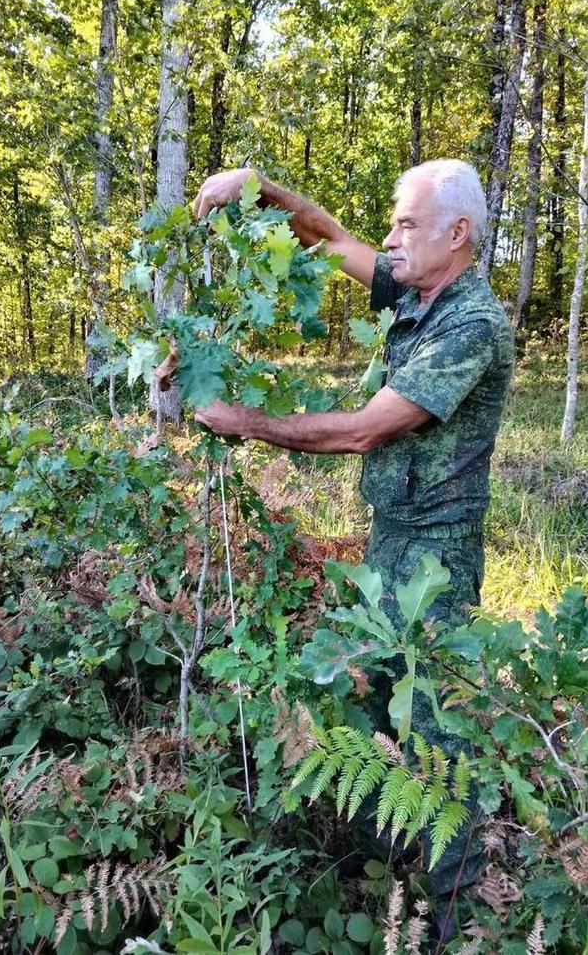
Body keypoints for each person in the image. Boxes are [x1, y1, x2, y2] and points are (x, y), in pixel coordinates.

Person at [193, 159, 515, 945]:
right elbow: (329, 237)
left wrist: (243, 421)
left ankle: (454, 907)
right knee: (373, 707)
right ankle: (380, 865)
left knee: (436, 733)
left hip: (437, 556)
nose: (391, 237)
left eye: (407, 223)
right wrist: (262, 192)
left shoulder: (472, 324)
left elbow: (365, 428)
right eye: (395, 223)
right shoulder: (415, 286)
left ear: (458, 234)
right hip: (389, 539)